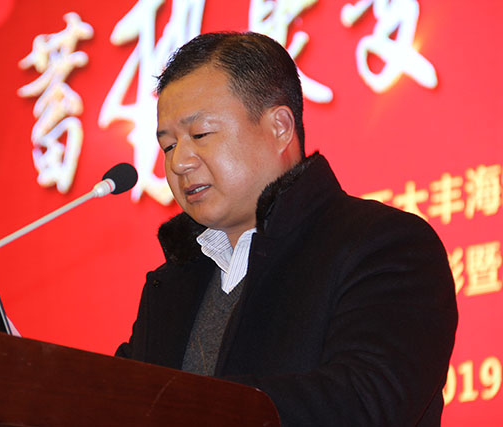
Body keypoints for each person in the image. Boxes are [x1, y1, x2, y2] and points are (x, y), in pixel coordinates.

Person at [116, 31, 458, 426]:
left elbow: (366, 402)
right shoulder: (169, 286)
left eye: (200, 135)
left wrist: (188, 407)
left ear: (280, 127)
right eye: (168, 145)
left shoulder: (384, 245)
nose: (178, 163)